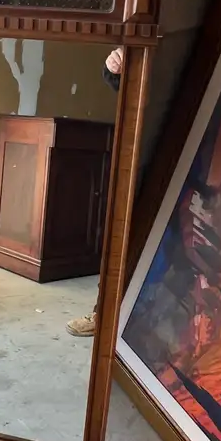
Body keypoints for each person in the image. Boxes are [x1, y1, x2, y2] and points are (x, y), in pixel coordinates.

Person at [66, 47, 123, 338]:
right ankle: (103, 313)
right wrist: (113, 68)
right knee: (118, 235)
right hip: (139, 144)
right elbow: (124, 84)